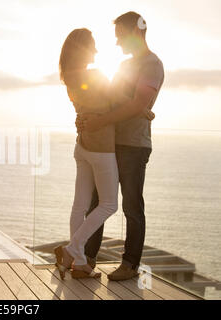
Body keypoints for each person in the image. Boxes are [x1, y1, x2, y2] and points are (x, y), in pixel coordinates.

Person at [54, 28, 156, 280]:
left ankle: (79, 263)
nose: (97, 50)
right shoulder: (96, 74)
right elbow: (116, 100)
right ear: (83, 49)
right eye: (93, 45)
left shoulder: (68, 75)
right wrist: (144, 111)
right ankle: (72, 250)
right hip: (101, 148)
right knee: (108, 204)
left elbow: (93, 105)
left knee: (80, 205)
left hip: (82, 146)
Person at [78, 11, 164, 281]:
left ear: (136, 32)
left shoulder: (152, 64)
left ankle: (130, 265)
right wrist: (89, 115)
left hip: (134, 146)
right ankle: (87, 259)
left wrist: (137, 110)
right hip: (110, 143)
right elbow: (111, 100)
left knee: (131, 207)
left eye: (120, 36)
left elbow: (137, 103)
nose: (117, 43)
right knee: (98, 203)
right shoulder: (125, 66)